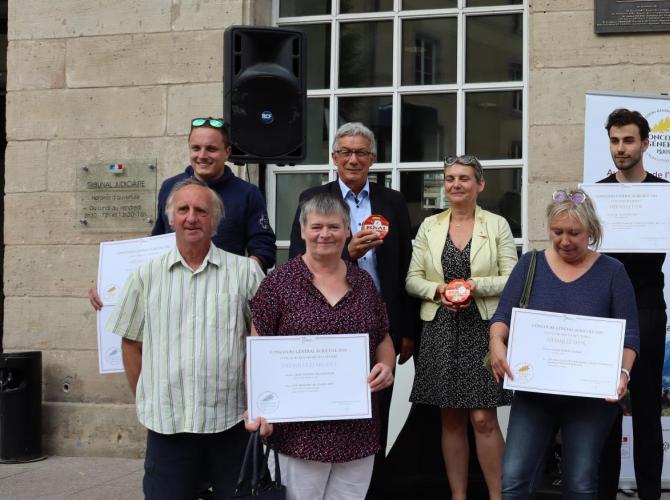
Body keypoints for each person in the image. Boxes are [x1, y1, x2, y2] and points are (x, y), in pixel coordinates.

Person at [107, 178, 266, 499]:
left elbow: (261, 342)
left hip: (231, 422)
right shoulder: (144, 276)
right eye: (183, 209)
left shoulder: (245, 273)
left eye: (201, 211)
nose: (191, 217)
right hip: (168, 425)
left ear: (215, 221)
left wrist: (260, 402)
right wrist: (148, 397)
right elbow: (131, 344)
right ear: (171, 218)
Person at [487, 190, 640, 500]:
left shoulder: (613, 272)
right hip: (534, 392)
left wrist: (623, 373)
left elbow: (631, 336)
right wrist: (496, 343)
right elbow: (502, 317)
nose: (565, 241)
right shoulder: (530, 264)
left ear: (592, 231)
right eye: (557, 232)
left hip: (591, 398)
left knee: (580, 482)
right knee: (514, 479)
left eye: (574, 233)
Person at [245, 193, 397, 500]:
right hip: (297, 433)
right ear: (302, 231)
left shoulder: (363, 283)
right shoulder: (279, 283)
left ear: (347, 231)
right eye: (316, 227)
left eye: (334, 226)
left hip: (357, 429)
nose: (324, 234)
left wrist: (386, 365)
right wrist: (258, 406)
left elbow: (382, 337)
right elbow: (257, 346)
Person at [288, 122, 421, 444]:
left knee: (380, 410)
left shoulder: (392, 201)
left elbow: (407, 264)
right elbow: (296, 261)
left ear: (372, 159)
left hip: (381, 322)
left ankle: (375, 484)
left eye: (361, 152)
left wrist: (406, 329)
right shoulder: (314, 198)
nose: (353, 160)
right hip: (328, 320)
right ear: (334, 157)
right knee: (335, 408)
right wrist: (346, 254)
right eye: (345, 152)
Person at [595, 108, 670, 500]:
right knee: (605, 410)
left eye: (629, 140)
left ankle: (650, 494)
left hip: (648, 307)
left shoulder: (667, 193)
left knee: (648, 411)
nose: (621, 148)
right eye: (615, 141)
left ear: (645, 143)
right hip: (603, 311)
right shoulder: (597, 193)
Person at [404, 155, 517, 500]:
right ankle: (459, 496)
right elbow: (412, 280)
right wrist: (440, 291)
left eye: (464, 178)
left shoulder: (496, 225)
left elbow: (512, 278)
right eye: (450, 178)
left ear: (479, 184)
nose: (456, 184)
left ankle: (499, 496)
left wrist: (473, 286)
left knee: (483, 418)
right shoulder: (429, 226)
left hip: (484, 329)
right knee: (450, 419)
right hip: (440, 327)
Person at [88, 116, 276, 309]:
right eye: (196, 148)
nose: (202, 155)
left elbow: (263, 247)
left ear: (227, 152)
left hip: (224, 297)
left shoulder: (247, 193)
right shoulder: (170, 187)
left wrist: (242, 277)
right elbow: (156, 243)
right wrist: (112, 285)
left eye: (211, 149)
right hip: (173, 295)